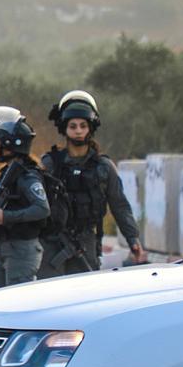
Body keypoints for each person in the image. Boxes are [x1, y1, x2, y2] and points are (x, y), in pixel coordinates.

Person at [38, 90, 145, 278]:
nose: (78, 131)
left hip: (86, 241)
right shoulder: (50, 164)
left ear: (91, 127)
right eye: (72, 126)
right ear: (64, 128)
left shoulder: (103, 167)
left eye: (83, 125)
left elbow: (119, 205)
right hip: (52, 241)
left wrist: (133, 239)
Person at [0, 106, 50, 289]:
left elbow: (42, 208)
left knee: (15, 306)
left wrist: (7, 217)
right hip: (3, 248)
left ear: (9, 145)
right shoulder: (5, 175)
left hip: (22, 250)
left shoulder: (27, 176)